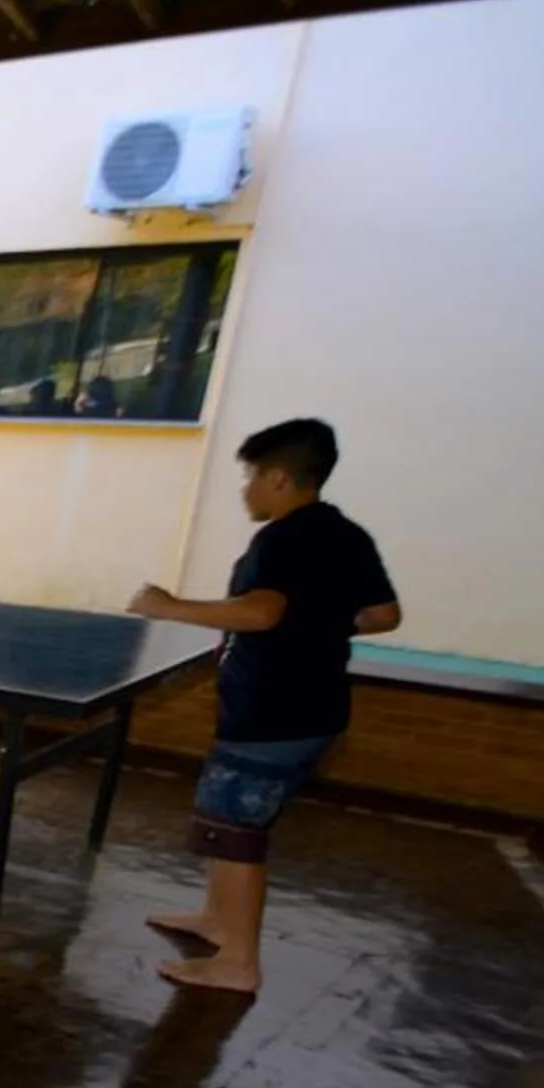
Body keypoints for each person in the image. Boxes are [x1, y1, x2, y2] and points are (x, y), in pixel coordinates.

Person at [129, 417, 400, 994]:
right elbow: (382, 615)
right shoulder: (348, 535)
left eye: (252, 476)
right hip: (315, 708)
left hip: (274, 711)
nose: (246, 488)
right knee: (225, 819)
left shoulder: (282, 539)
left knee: (237, 832)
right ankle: (217, 921)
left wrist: (169, 606)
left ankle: (238, 964)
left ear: (280, 478)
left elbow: (260, 613)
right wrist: (320, 623)